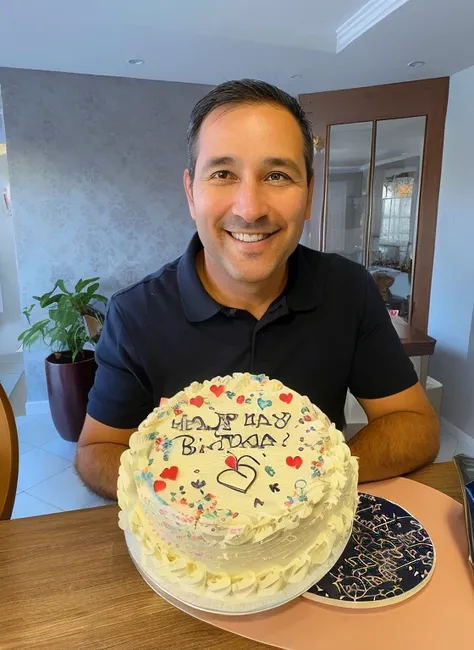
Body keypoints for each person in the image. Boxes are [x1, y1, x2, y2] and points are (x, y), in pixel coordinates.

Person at [75, 79, 439, 500]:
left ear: (308, 196)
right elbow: (97, 450)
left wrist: (313, 480)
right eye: (223, 173)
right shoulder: (135, 313)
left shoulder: (349, 290)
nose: (250, 209)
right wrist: (200, 501)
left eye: (278, 175)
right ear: (191, 193)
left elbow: (414, 423)